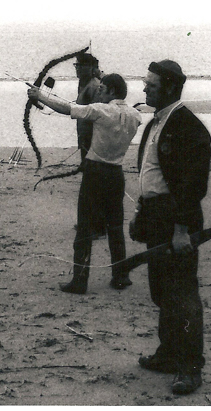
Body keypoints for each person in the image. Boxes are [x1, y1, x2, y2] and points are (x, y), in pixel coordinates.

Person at [128, 59, 211, 395]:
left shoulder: (190, 128)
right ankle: (168, 354)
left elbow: (192, 186)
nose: (145, 88)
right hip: (155, 215)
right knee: (160, 291)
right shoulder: (155, 123)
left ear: (170, 87)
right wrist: (140, 212)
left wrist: (181, 230)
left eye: (151, 83)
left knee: (182, 295)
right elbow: (150, 174)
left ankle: (190, 367)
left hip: (179, 219)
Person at [28, 73, 141, 294]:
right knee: (115, 227)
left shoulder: (101, 110)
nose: (98, 92)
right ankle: (120, 276)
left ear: (111, 91)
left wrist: (39, 96)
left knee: (85, 227)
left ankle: (80, 280)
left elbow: (68, 108)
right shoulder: (135, 115)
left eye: (102, 89)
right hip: (116, 173)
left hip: (96, 171)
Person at [74, 53, 108, 239]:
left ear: (91, 67)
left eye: (81, 66)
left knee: (93, 183)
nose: (78, 69)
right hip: (84, 137)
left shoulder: (94, 86)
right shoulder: (84, 84)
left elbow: (97, 114)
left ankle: (98, 226)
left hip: (92, 139)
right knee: (88, 181)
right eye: (76, 66)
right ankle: (88, 222)